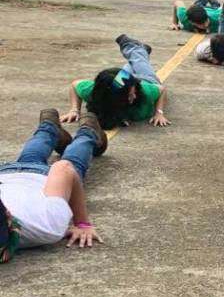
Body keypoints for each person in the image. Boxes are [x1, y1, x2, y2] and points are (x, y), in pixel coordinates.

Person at [0, 109, 108, 260]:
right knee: (30, 156)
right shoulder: (42, 224)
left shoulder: (45, 226)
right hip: (7, 174)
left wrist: (82, 223)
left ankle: (88, 132)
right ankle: (49, 127)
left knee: (73, 162)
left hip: (42, 177)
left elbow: (63, 168)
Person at [63, 34, 170, 128]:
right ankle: (142, 51)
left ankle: (130, 45)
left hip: (146, 80)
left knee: (138, 61)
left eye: (133, 93)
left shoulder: (144, 92)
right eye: (130, 95)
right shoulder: (98, 91)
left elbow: (162, 90)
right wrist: (74, 110)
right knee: (137, 61)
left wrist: (159, 113)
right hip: (125, 82)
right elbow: (74, 86)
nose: (134, 97)